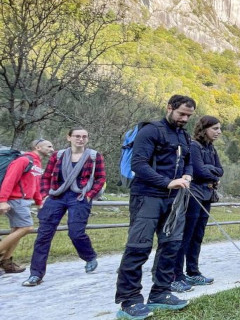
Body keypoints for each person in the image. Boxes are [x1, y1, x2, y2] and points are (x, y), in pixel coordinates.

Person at [115, 95, 195, 319]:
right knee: (138, 247)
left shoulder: (183, 135)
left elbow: (187, 158)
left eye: (189, 115)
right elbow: (138, 164)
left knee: (171, 246)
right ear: (169, 108)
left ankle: (160, 292)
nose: (185, 119)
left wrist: (187, 173)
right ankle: (129, 300)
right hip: (147, 196)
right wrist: (166, 182)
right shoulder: (150, 131)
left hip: (174, 198)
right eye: (181, 114)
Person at [24, 127, 105, 287]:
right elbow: (46, 176)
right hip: (57, 196)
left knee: (76, 233)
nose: (80, 139)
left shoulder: (94, 156)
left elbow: (100, 178)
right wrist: (45, 194)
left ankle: (89, 255)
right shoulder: (58, 155)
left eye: (84, 136)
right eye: (77, 136)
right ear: (69, 138)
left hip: (80, 196)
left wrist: (89, 195)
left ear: (87, 139)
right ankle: (36, 274)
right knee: (44, 235)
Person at [172, 116, 223, 291]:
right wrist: (212, 172)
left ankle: (193, 272)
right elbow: (199, 171)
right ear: (204, 128)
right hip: (193, 195)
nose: (218, 132)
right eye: (215, 128)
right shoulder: (194, 146)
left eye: (219, 128)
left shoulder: (211, 148)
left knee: (198, 235)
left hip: (207, 195)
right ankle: (176, 275)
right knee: (186, 235)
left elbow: (220, 171)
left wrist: (211, 172)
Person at [0, 139, 53, 276]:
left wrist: (38, 200)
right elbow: (9, 180)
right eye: (49, 146)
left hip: (24, 200)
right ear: (37, 147)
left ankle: (6, 262)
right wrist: (3, 200)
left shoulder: (37, 163)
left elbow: (35, 184)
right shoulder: (24, 160)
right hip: (16, 199)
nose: (52, 149)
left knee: (17, 230)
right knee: (27, 227)